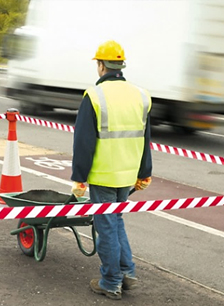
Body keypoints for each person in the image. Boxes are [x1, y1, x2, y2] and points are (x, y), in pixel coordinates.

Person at [70, 40, 152, 300]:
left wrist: (79, 179)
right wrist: (144, 172)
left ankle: (111, 280)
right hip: (127, 173)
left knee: (105, 225)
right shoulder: (141, 95)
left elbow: (83, 142)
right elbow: (145, 137)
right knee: (116, 221)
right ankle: (127, 272)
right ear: (121, 66)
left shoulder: (94, 96)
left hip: (104, 174)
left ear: (101, 65)